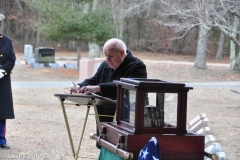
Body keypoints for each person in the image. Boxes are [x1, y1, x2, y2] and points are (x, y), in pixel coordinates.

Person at [70, 38, 147, 148]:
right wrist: (79, 86)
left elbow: (124, 86)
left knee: (122, 147)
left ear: (122, 53)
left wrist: (98, 88)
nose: (107, 60)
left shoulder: (137, 66)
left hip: (126, 118)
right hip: (104, 114)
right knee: (104, 145)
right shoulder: (105, 64)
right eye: (105, 56)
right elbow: (94, 80)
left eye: (110, 56)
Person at [0, 13, 16, 149]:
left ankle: (1, 140)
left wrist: (2, 71)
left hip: (1, 81)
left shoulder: (7, 41)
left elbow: (11, 59)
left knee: (1, 112)